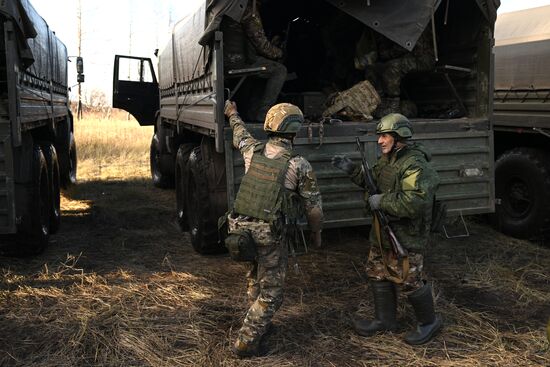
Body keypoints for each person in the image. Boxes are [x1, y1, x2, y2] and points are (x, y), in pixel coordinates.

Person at [332, 113, 442, 345]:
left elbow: (414, 202)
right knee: (377, 271)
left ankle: (429, 322)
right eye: (379, 136)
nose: (380, 141)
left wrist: (381, 202)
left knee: (408, 279)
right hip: (383, 231)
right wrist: (352, 170)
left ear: (399, 136)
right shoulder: (388, 160)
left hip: (406, 233)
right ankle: (385, 320)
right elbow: (374, 183)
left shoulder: (415, 165)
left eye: (384, 136)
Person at [224, 100, 323, 357]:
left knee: (255, 278)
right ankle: (246, 341)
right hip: (269, 236)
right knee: (273, 293)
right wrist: (317, 234)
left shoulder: (251, 150)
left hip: (242, 231)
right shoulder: (298, 164)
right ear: (294, 131)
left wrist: (233, 113)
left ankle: (259, 327)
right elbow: (314, 209)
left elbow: (239, 133)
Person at [221, 0, 287, 122]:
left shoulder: (232, 8)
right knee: (280, 71)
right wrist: (280, 52)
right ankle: (263, 115)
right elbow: (261, 44)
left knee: (263, 72)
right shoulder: (248, 10)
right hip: (240, 61)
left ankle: (253, 114)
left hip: (228, 61)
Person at [355, 28, 435, 117]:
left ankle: (393, 104)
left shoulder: (414, 24)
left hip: (422, 58)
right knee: (373, 68)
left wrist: (387, 54)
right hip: (406, 56)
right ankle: (378, 101)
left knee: (393, 67)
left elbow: (406, 47)